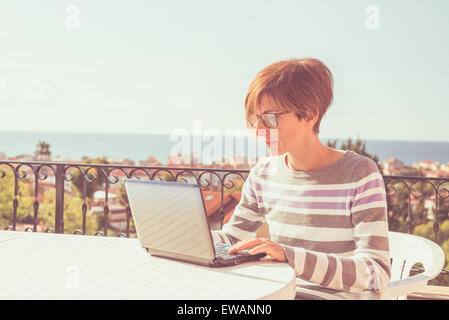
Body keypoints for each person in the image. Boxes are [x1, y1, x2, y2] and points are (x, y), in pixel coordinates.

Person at [211, 58, 391, 299]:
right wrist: (186, 237)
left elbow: (375, 272)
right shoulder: (263, 174)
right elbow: (233, 238)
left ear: (309, 115)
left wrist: (288, 255)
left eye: (271, 118)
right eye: (256, 119)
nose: (258, 131)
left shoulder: (360, 174)